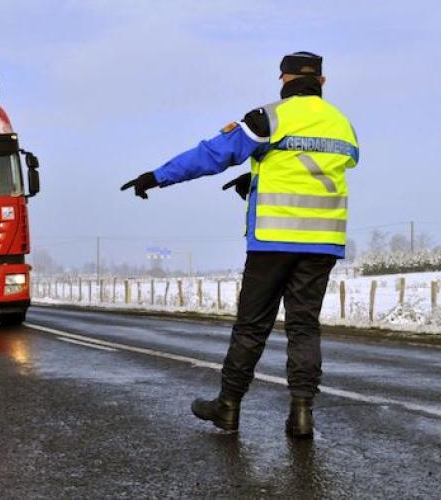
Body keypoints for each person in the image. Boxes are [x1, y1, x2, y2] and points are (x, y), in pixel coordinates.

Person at [121, 51, 359, 438]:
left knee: (251, 326)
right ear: (323, 82)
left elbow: (215, 155)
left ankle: (228, 407)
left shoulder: (269, 117)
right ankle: (302, 416)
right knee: (304, 328)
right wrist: (258, 179)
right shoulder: (343, 125)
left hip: (273, 240)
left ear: (283, 80)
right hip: (323, 243)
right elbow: (317, 167)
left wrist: (157, 176)